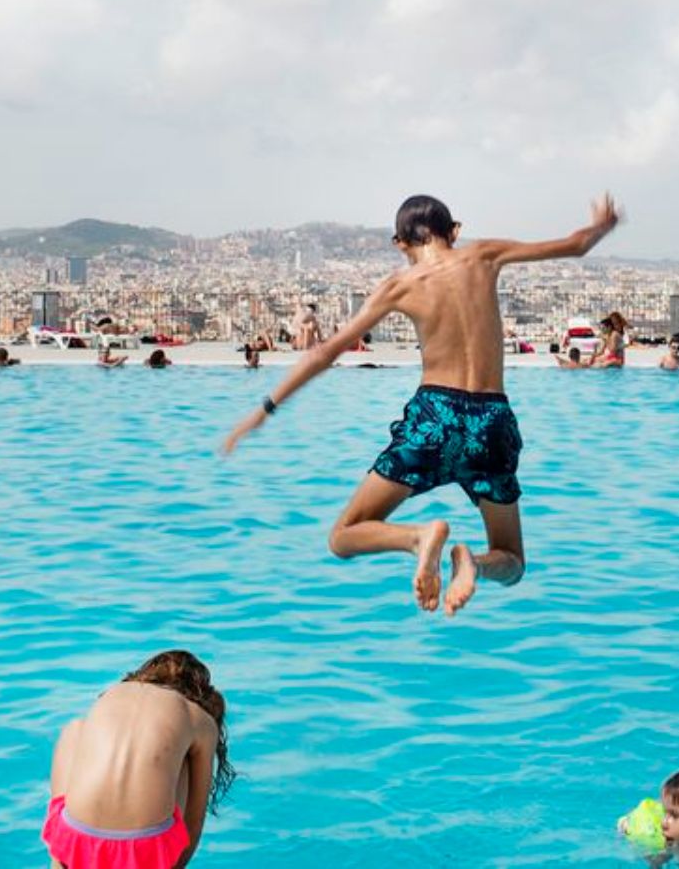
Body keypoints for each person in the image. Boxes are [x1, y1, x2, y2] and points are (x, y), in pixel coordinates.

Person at [222, 192, 621, 615]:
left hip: (435, 416)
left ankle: (416, 537)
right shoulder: (484, 256)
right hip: (493, 418)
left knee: (343, 536)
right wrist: (602, 225)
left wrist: (263, 411)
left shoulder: (401, 284)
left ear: (400, 242)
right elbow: (577, 244)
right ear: (455, 231)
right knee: (512, 560)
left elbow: (325, 353)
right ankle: (474, 565)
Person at [44, 650, 233, 869]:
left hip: (76, 839)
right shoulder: (199, 718)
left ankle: (57, 863)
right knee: (184, 760)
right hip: (148, 848)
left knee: (76, 729)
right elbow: (194, 822)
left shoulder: (113, 693)